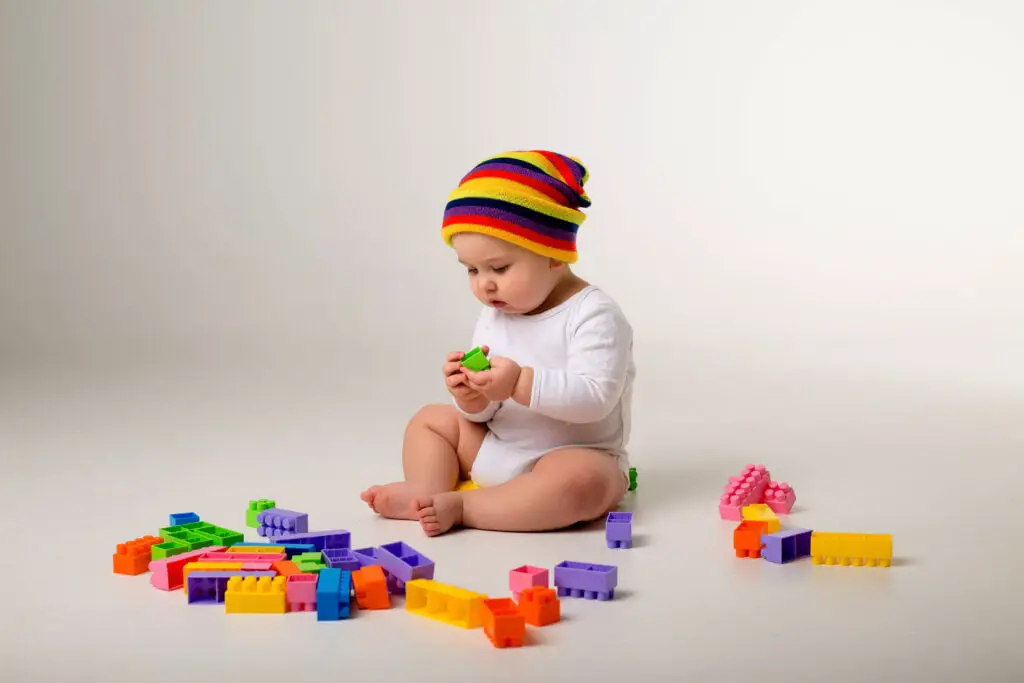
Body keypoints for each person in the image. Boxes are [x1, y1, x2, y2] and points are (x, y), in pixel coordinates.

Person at [361, 150, 635, 536]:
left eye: (499, 268)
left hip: (569, 457)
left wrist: (519, 383)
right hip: (497, 446)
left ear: (553, 254)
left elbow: (596, 398)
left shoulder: (593, 314)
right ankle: (427, 491)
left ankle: (464, 506)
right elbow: (484, 413)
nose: (484, 284)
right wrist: (473, 399)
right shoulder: (496, 313)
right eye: (472, 270)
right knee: (430, 420)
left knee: (584, 484)